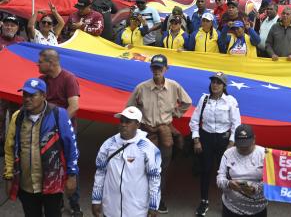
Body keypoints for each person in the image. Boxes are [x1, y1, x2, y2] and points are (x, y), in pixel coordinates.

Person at [126, 54, 192, 214]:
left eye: (160, 68)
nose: (157, 71)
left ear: (166, 69)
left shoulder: (174, 86)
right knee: (143, 166)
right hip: (147, 132)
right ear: (151, 69)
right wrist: (137, 121)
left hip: (165, 132)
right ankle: (141, 197)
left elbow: (187, 102)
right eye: (154, 67)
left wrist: (176, 113)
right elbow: (129, 109)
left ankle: (157, 197)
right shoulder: (141, 88)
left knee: (162, 167)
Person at [3, 78, 79, 217]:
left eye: (32, 95)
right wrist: (8, 177)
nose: (27, 99)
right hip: (26, 186)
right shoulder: (17, 117)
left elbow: (71, 146)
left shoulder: (58, 114)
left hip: (52, 185)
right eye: (25, 95)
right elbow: (9, 149)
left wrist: (72, 175)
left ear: (44, 96)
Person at [91, 106, 161, 217]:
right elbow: (100, 172)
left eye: (128, 122)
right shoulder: (109, 144)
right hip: (110, 209)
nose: (123, 124)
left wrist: (153, 206)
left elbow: (154, 178)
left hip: (136, 211)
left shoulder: (147, 147)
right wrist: (96, 200)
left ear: (137, 125)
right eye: (122, 121)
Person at [190, 72, 241, 216]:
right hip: (206, 138)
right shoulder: (204, 99)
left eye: (218, 82)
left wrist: (231, 144)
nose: (215, 85)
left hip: (224, 140)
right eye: (213, 81)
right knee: (205, 170)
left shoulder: (231, 101)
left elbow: (236, 124)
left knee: (226, 172)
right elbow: (194, 121)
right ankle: (204, 201)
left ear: (224, 86)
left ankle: (229, 202)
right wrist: (196, 140)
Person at [216, 124, 268, 217]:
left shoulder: (264, 154)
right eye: (240, 145)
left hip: (258, 209)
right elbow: (220, 178)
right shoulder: (228, 154)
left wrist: (256, 188)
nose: (243, 149)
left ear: (254, 139)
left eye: (246, 145)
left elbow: (272, 181)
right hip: (231, 208)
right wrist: (229, 184)